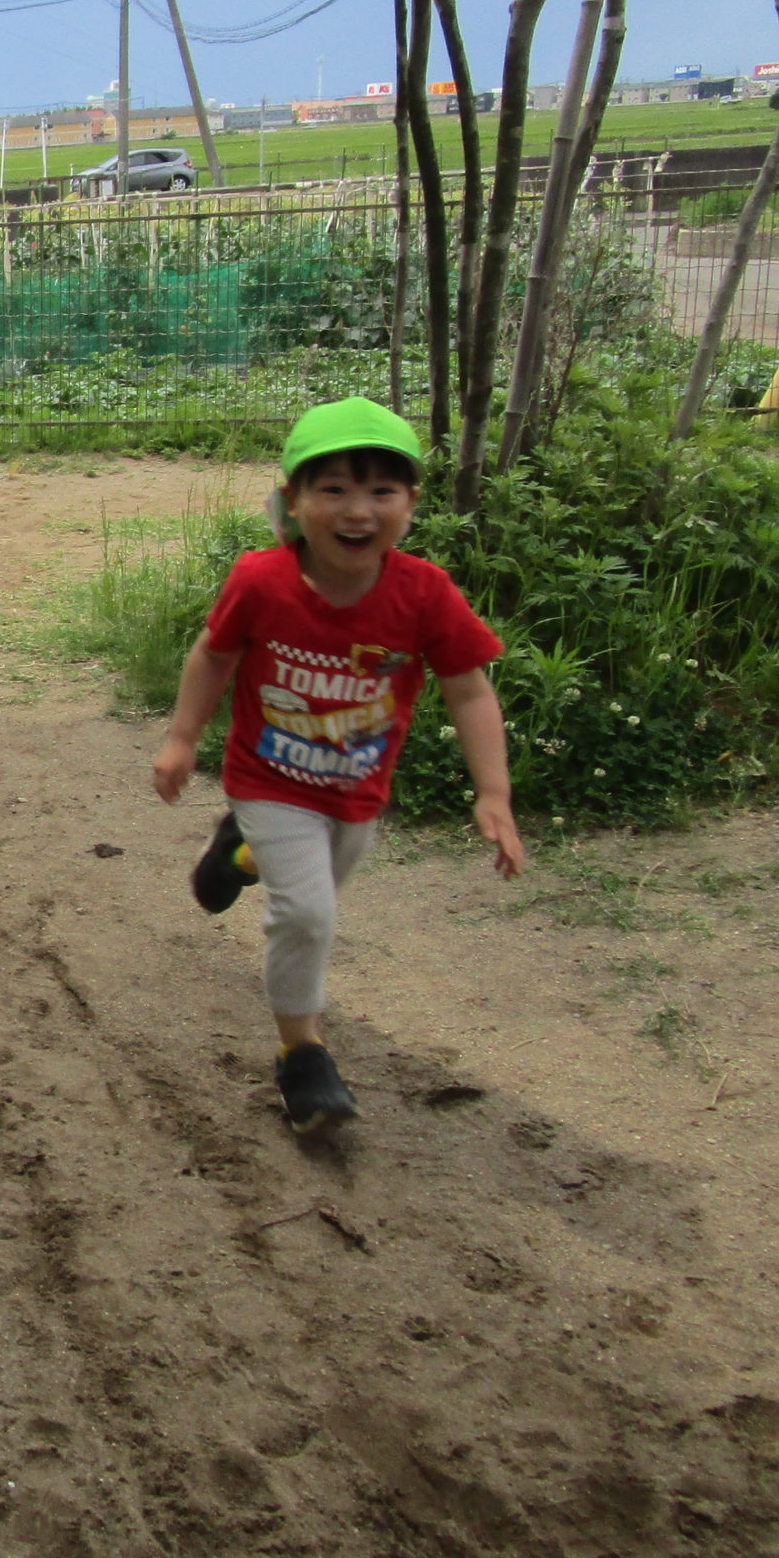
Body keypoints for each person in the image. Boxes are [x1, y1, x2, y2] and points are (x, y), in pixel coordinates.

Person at [151, 397, 524, 1133]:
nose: (359, 510)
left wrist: (494, 792)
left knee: (320, 886)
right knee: (309, 915)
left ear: (411, 504)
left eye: (382, 491)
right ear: (294, 500)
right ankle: (303, 1059)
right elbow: (215, 655)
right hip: (268, 777)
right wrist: (183, 738)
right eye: (335, 490)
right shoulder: (261, 580)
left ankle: (240, 852)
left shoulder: (425, 596)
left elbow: (470, 689)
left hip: (357, 791)